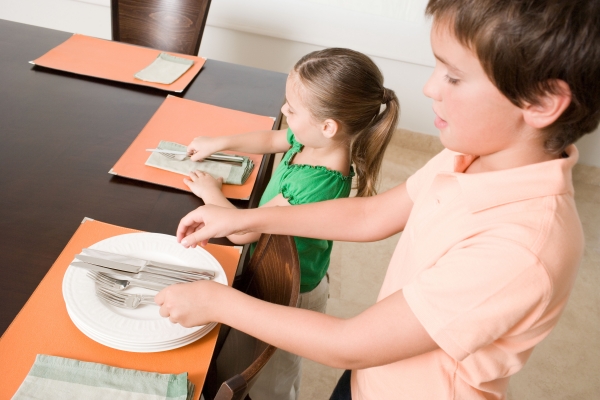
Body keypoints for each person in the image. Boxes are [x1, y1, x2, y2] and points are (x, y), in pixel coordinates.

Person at [156, 0, 600, 399]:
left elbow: (348, 342)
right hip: (371, 375)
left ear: (542, 101)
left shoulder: (521, 250)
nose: (429, 88)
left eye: (454, 76)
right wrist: (243, 220)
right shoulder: (468, 155)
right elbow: (371, 215)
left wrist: (217, 302)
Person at [182, 47, 399, 400]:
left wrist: (210, 192)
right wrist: (222, 142)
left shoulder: (316, 183)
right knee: (252, 361)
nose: (283, 111)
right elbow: (273, 139)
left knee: (271, 380)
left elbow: (243, 231)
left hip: (289, 290)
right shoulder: (312, 139)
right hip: (272, 268)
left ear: (328, 126)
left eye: (292, 109)